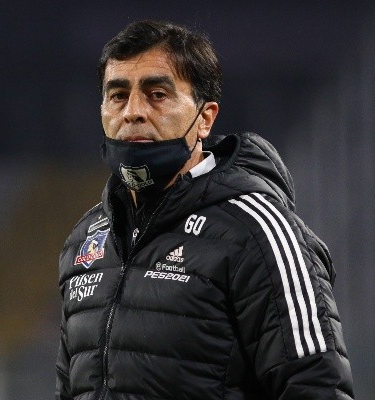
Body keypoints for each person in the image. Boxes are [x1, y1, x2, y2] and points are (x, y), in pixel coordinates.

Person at [56, 19, 354, 400]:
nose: (133, 112)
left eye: (157, 94)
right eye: (117, 95)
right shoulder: (84, 240)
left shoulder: (258, 234)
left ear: (205, 118)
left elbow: (318, 387)